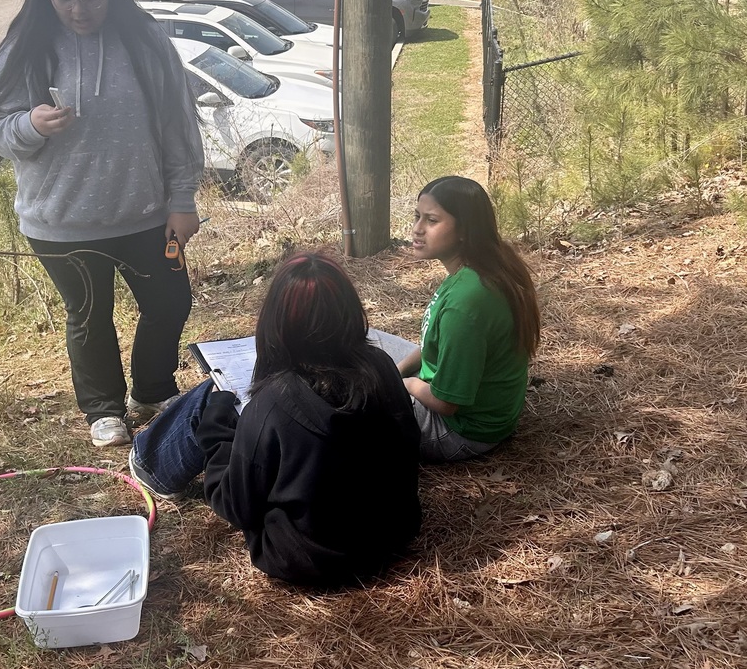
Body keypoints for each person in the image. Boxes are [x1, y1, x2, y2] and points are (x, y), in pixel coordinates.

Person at [0, 0, 204, 449]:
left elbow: (177, 125)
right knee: (90, 316)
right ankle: (103, 408)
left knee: (170, 303)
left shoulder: (145, 42)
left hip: (145, 214)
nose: (79, 9)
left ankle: (152, 389)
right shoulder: (25, 49)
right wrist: (31, 124)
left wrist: (182, 199)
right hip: (60, 223)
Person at [128, 252, 423, 587]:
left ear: (275, 324)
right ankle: (153, 458)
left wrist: (216, 433)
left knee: (212, 395)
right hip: (393, 536)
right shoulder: (381, 366)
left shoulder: (273, 403)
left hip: (307, 559)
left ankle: (149, 463)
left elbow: (235, 505)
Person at [397, 176, 541, 462]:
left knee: (345, 404)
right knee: (369, 342)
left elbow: (445, 403)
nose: (417, 229)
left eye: (432, 220)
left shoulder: (466, 302)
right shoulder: (481, 267)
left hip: (458, 431)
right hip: (472, 411)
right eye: (417, 216)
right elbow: (433, 346)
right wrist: (395, 370)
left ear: (464, 229)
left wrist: (402, 384)